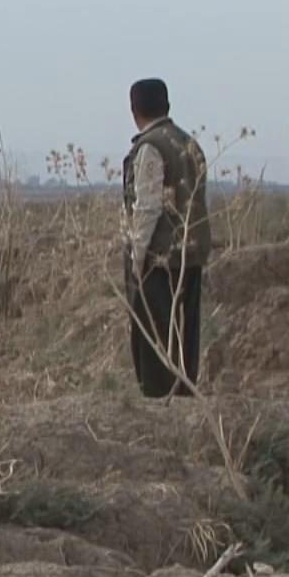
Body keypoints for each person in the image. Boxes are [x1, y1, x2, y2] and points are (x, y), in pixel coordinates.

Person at [121, 78, 212, 398]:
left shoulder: (150, 147)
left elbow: (147, 206)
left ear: (133, 110)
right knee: (185, 334)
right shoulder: (188, 143)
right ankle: (184, 395)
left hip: (160, 258)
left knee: (154, 338)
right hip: (190, 253)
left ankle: (160, 402)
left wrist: (137, 257)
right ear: (167, 106)